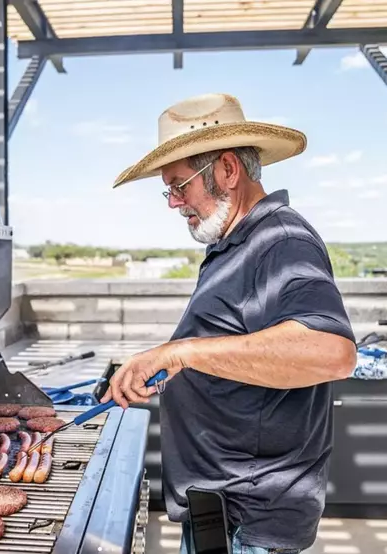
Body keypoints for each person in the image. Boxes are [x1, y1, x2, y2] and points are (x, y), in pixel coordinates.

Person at [102, 93, 357, 554]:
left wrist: (179, 353)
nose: (174, 203)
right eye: (169, 190)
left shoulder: (280, 239)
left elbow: (331, 351)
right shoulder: (234, 243)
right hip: (221, 510)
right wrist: (167, 365)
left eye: (180, 185)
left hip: (249, 521)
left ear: (227, 170)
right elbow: (234, 345)